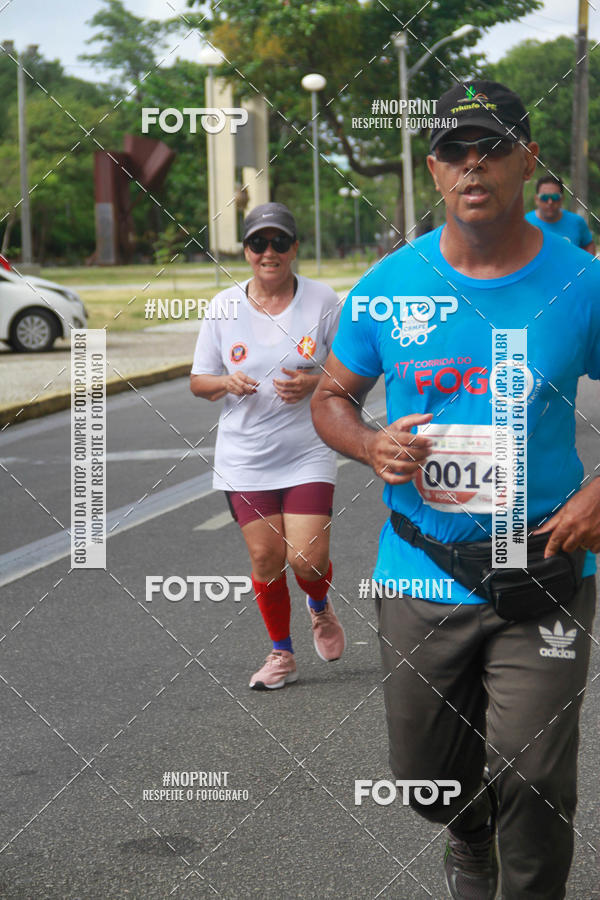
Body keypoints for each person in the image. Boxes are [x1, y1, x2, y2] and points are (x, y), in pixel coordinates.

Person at [311, 79, 600, 899]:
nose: (473, 166)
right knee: (424, 777)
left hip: (543, 564)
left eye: (492, 147)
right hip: (421, 568)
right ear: (432, 168)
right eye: (452, 151)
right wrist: (368, 442)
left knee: (536, 778)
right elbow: (331, 396)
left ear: (528, 158)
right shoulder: (388, 285)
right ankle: (470, 836)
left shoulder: (581, 283)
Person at [190, 202, 345, 690]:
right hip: (245, 455)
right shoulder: (223, 306)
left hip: (307, 449)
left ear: (295, 248)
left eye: (280, 242)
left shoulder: (323, 301)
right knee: (265, 558)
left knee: (305, 558)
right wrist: (224, 383)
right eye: (259, 243)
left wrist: (316, 380)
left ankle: (318, 604)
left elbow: (351, 369)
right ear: (246, 251)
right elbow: (197, 381)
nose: (269, 252)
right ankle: (282, 654)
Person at [525, 175, 596, 254]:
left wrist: (589, 264)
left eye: (555, 197)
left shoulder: (577, 222)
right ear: (536, 199)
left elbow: (588, 244)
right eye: (544, 197)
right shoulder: (525, 223)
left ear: (562, 199)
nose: (550, 202)